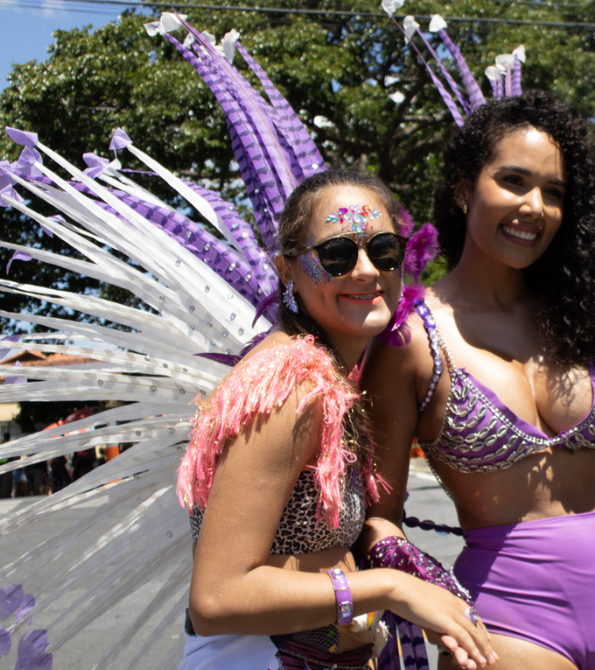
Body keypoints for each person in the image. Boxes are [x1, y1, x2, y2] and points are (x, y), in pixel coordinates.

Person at [362, 91, 595, 670]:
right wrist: (414, 594)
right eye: (514, 182)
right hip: (509, 628)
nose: (535, 206)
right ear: (462, 189)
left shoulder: (590, 314)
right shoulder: (409, 337)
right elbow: (380, 513)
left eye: (554, 192)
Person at [177, 170, 496, 670]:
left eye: (384, 250)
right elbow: (218, 597)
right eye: (338, 255)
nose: (367, 270)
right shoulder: (292, 386)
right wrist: (391, 588)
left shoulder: (329, 376)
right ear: (287, 270)